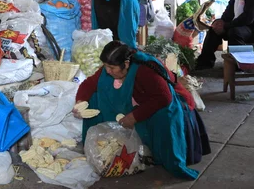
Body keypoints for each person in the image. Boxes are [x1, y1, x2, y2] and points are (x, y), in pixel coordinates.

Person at [75, 41, 209, 179]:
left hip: (171, 105)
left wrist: (134, 117)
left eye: (111, 67)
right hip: (142, 101)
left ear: (126, 64)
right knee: (93, 97)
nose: (107, 71)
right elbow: (89, 84)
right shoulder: (111, 67)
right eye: (106, 66)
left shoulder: (145, 69)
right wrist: (80, 102)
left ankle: (164, 154)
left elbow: (164, 98)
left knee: (162, 115)